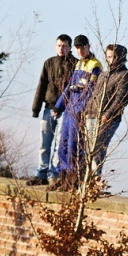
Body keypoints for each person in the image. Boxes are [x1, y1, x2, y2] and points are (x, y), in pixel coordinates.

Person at [49, 34, 101, 191]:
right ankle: (62, 176)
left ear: (88, 46)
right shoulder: (79, 64)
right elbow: (69, 87)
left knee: (74, 146)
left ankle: (72, 179)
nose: (80, 51)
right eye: (77, 48)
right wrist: (59, 106)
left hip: (79, 111)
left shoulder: (95, 66)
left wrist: (80, 110)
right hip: (69, 109)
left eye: (82, 47)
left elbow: (90, 91)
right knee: (63, 144)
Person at [26, 34, 75, 186]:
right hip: (48, 108)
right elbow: (41, 85)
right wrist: (36, 108)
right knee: (44, 143)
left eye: (64, 46)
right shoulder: (49, 63)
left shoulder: (75, 65)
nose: (61, 48)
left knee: (59, 144)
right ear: (55, 46)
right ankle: (41, 173)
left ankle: (53, 174)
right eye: (59, 45)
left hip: (65, 111)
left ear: (70, 47)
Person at [87, 43, 128, 178]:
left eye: (113, 57)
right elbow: (95, 94)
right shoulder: (103, 75)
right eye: (108, 57)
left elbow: (121, 100)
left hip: (108, 119)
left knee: (98, 149)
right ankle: (86, 179)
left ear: (121, 57)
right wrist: (87, 111)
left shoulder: (126, 76)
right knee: (88, 150)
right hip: (92, 115)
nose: (110, 60)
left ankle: (94, 180)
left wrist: (107, 115)